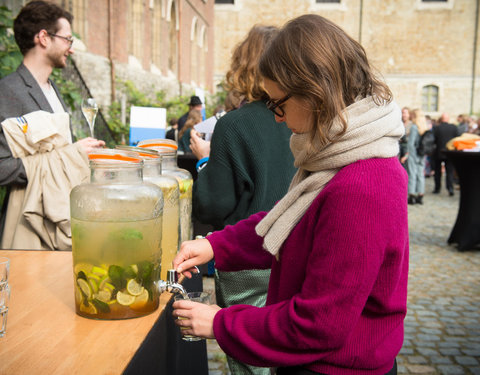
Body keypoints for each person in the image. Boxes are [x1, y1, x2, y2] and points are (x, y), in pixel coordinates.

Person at [173, 14, 407, 375]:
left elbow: (319, 324)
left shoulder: (361, 183)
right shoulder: (336, 153)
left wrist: (219, 323)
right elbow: (286, 221)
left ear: (314, 91)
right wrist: (217, 244)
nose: (277, 118)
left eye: (277, 103)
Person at [189, 25, 296, 375]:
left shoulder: (234, 125)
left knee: (251, 361)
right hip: (295, 253)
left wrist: (206, 160)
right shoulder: (303, 119)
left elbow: (213, 204)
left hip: (249, 260)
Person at [0, 0, 104, 249]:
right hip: (27, 227)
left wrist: (81, 154)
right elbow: (2, 167)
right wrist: (70, 156)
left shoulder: (52, 89)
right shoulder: (8, 91)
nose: (72, 48)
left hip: (59, 219)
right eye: (68, 39)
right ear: (44, 38)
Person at [432, 113, 459, 196]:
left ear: (441, 119)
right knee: (449, 172)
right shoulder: (454, 128)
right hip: (449, 153)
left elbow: (434, 140)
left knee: (437, 172)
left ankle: (437, 188)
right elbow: (456, 139)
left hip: (439, 152)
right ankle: (450, 189)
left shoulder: (437, 128)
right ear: (448, 119)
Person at [406, 109, 428, 204]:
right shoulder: (424, 127)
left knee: (412, 174)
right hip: (421, 154)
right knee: (420, 175)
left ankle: (412, 195)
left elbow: (411, 144)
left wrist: (408, 155)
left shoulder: (414, 127)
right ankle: (420, 194)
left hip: (414, 154)